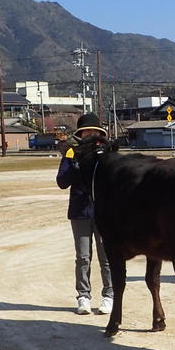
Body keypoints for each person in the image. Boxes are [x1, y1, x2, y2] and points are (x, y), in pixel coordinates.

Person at [56, 113, 114, 314]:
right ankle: (83, 297)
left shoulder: (106, 152)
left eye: (94, 131)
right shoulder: (71, 152)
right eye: (86, 131)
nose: (90, 134)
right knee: (83, 257)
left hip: (104, 211)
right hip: (80, 211)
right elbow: (62, 182)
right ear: (81, 134)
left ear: (99, 133)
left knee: (107, 257)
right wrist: (74, 163)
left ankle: (109, 296)